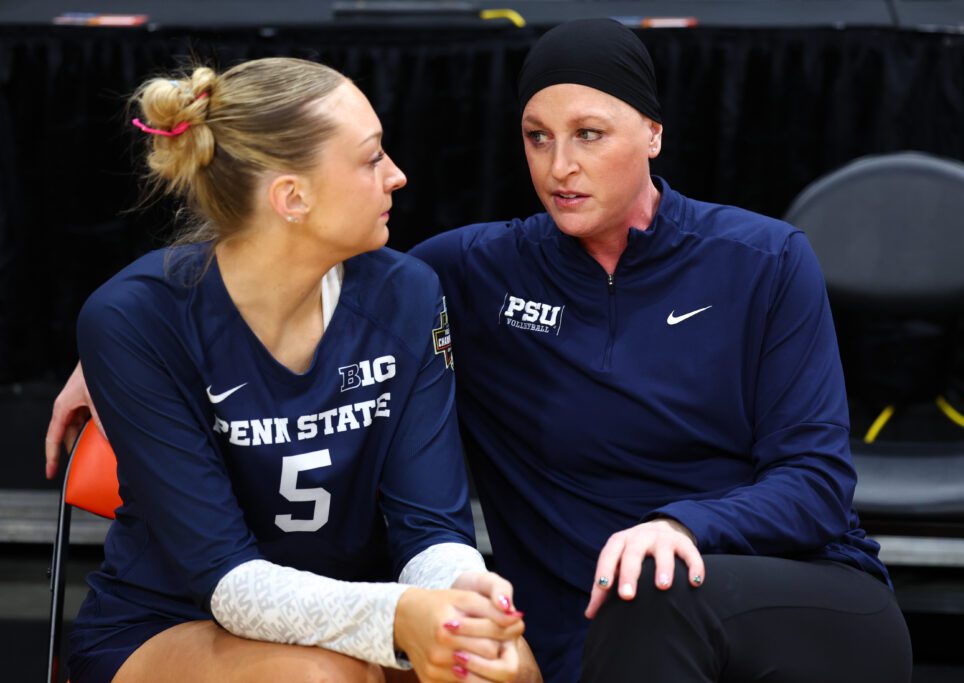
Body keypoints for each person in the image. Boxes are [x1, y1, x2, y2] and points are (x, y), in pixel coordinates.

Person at [48, 22, 913, 683]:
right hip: (218, 617)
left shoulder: (760, 258)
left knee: (573, 627)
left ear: (653, 132)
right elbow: (224, 297)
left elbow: (816, 481)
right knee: (391, 665)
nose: (559, 165)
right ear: (291, 194)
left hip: (753, 583)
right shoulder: (464, 271)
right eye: (538, 136)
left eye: (590, 135)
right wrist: (119, 354)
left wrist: (667, 529)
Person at [49, 56, 538, 683]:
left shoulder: (408, 293)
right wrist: (398, 619)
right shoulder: (134, 318)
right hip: (169, 622)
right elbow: (222, 579)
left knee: (505, 668)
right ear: (292, 197)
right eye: (371, 159)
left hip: (358, 608)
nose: (397, 176)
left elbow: (430, 526)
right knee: (314, 677)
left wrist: (463, 595)